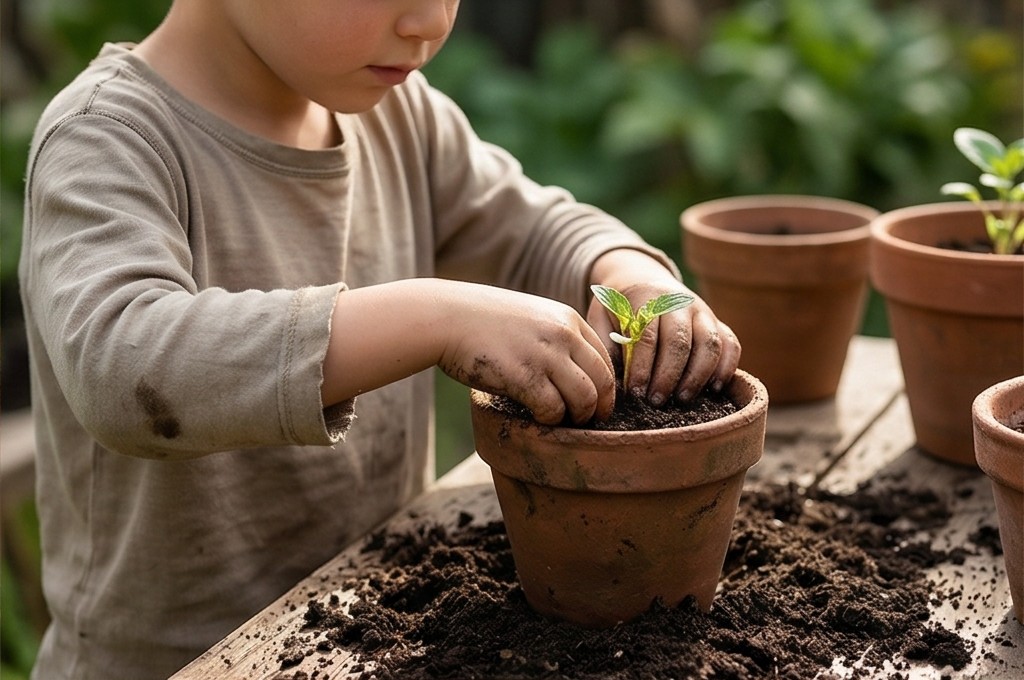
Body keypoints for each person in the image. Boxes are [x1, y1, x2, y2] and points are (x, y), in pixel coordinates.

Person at [17, 1, 740, 678]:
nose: (429, 20)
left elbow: (535, 230)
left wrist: (629, 272)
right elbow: (124, 366)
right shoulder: (107, 137)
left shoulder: (401, 119)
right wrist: (435, 317)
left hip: (368, 637)